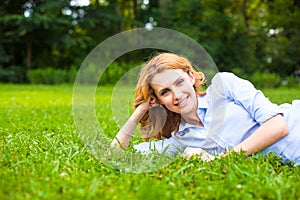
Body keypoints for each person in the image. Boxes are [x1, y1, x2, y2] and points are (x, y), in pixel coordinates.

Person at [110, 52, 300, 164]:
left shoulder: (224, 85)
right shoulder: (181, 140)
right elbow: (116, 153)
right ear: (158, 100)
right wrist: (140, 111)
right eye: (165, 92)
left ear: (191, 76)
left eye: (179, 82)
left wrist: (218, 159)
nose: (177, 95)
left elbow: (278, 126)